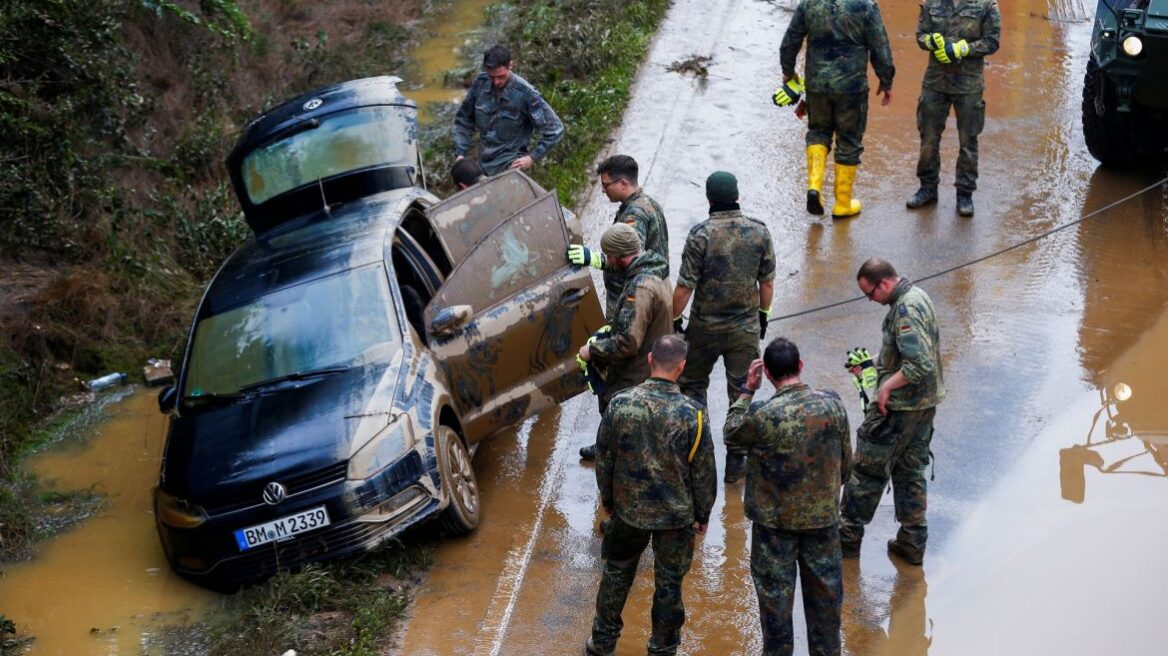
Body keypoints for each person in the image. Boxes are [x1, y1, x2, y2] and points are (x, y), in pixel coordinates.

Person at [586, 334, 717, 656]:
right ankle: (662, 647)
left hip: (628, 512)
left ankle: (602, 643)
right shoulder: (694, 414)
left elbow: (604, 458)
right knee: (669, 586)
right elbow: (703, 472)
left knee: (616, 574)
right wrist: (703, 515)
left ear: (649, 360)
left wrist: (609, 501)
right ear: (682, 367)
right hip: (676, 516)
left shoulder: (620, 404)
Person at [724, 338, 851, 656]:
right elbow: (846, 467)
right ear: (801, 365)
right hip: (822, 525)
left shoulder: (763, 414)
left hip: (774, 530)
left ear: (766, 373)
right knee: (826, 615)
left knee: (776, 615)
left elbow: (731, 433)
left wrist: (746, 391)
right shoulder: (833, 406)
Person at [840, 258, 945, 566]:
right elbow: (908, 351)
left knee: (867, 472)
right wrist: (871, 363)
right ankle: (912, 542)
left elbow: (917, 365)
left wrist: (885, 388)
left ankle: (846, 539)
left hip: (898, 408)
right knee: (911, 471)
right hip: (924, 406)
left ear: (884, 284)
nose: (870, 300)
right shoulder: (918, 296)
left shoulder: (904, 310)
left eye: (870, 293)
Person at [672, 171, 775, 482]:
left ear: (709, 200)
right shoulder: (759, 232)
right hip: (743, 328)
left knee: (692, 384)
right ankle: (737, 459)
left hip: (704, 328)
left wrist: (676, 318)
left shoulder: (700, 235)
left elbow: (684, 287)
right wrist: (763, 314)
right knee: (741, 390)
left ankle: (698, 449)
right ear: (737, 196)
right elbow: (767, 282)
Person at [778, 0, 895, 219]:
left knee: (818, 133)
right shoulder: (866, 6)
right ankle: (842, 204)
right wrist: (886, 79)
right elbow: (880, 45)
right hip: (852, 88)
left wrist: (788, 72)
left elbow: (789, 42)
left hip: (816, 85)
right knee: (849, 141)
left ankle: (814, 187)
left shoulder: (810, 4)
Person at [577, 223, 673, 462]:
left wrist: (591, 350)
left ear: (621, 256)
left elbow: (627, 344)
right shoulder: (656, 272)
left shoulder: (639, 288)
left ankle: (617, 462)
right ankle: (608, 447)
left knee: (629, 438)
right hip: (654, 364)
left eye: (609, 256)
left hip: (636, 376)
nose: (607, 261)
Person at [906, 0, 1001, 217]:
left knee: (968, 140)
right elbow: (920, 34)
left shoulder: (986, 5)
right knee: (928, 137)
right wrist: (929, 41)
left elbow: (992, 41)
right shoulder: (932, 3)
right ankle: (927, 188)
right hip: (935, 81)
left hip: (969, 83)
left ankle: (964, 194)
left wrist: (964, 48)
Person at [568, 154, 669, 317]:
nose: (602, 190)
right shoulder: (648, 203)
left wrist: (594, 258)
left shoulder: (634, 216)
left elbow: (631, 257)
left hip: (629, 300)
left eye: (606, 185)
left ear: (622, 183)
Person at [452, 44, 565, 176]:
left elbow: (555, 129)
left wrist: (532, 157)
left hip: (511, 166)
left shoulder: (526, 94)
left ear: (510, 66)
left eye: (500, 76)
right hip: (483, 165)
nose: (496, 82)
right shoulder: (481, 83)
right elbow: (464, 119)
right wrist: (460, 153)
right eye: (491, 77)